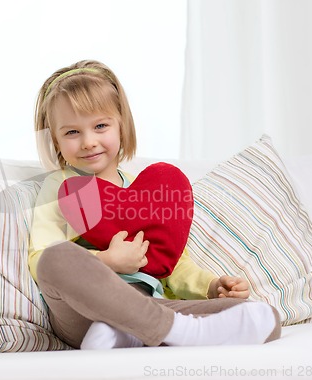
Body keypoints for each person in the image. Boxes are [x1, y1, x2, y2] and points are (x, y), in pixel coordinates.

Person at [28, 59, 281, 350]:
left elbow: (173, 262)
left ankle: (129, 334)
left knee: (263, 317)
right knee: (54, 258)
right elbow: (38, 259)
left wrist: (211, 287)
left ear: (121, 126)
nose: (88, 141)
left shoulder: (149, 189)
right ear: (55, 141)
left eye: (100, 126)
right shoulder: (59, 185)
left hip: (149, 303)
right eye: (72, 132)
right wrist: (107, 261)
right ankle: (176, 331)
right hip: (82, 315)